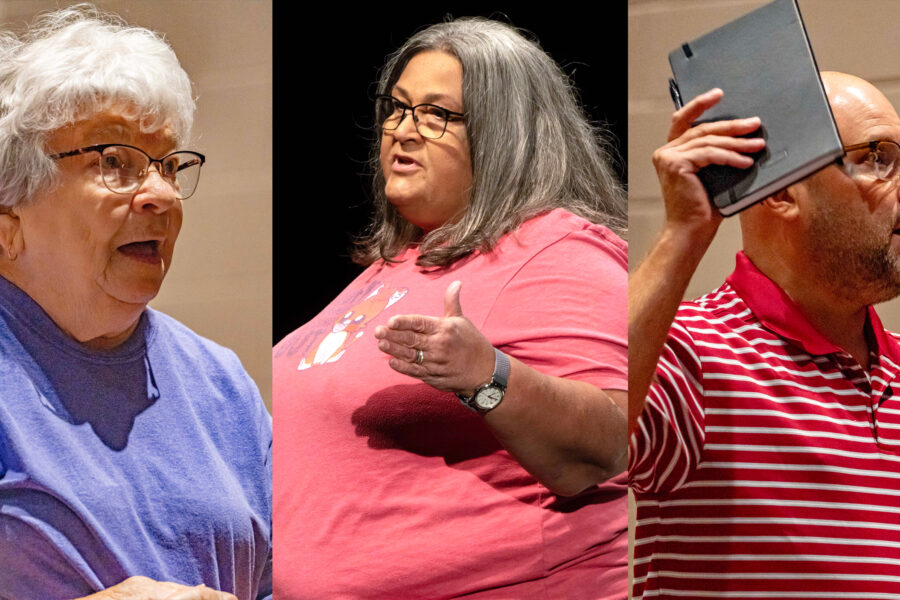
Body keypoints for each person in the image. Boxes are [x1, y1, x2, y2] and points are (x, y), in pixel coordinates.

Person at [273, 17, 628, 599]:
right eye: (398, 108)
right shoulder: (397, 265)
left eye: (437, 114)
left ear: (507, 134)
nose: (403, 132)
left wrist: (488, 377)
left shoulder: (560, 250)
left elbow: (610, 443)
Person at [0, 6, 271, 600]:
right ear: (8, 222)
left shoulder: (221, 383)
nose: (160, 195)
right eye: (113, 162)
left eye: (168, 165)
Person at [629, 71, 900, 597]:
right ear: (782, 194)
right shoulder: (691, 351)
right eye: (876, 158)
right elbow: (593, 438)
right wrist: (681, 234)